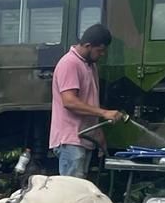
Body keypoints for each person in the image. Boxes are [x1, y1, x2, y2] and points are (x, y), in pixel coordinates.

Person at [50, 24, 124, 179]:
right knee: (72, 193)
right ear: (88, 46)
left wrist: (98, 132)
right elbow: (69, 101)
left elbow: (89, 101)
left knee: (80, 191)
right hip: (71, 139)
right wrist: (105, 113)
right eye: (100, 50)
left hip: (85, 138)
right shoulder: (69, 64)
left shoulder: (90, 66)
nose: (102, 54)